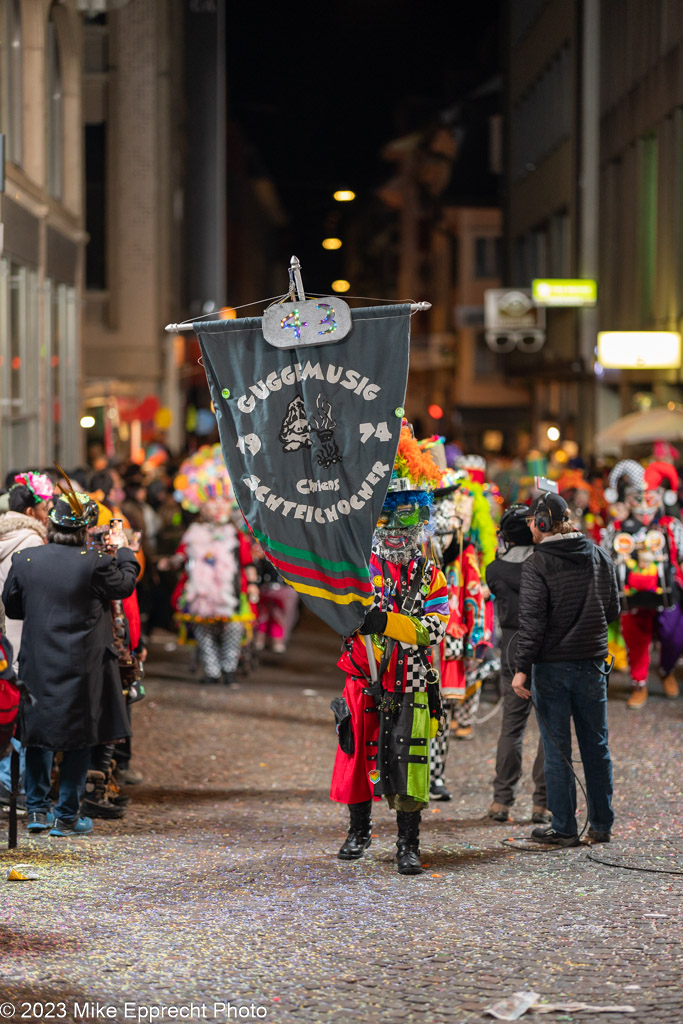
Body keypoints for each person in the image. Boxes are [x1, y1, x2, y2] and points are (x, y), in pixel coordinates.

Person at [331, 425, 448, 875]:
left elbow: (433, 628)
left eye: (409, 519)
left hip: (411, 679)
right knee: (356, 756)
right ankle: (358, 831)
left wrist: (387, 623)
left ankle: (408, 844)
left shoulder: (432, 576)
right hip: (363, 677)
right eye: (391, 518)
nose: (401, 531)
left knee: (409, 760)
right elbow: (338, 611)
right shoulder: (358, 570)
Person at [2, 484, 140, 838]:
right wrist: (124, 550)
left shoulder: (26, 560)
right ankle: (66, 816)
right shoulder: (95, 562)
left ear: (52, 525)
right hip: (84, 665)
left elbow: (13, 607)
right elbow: (125, 585)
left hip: (37, 660)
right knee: (80, 736)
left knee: (36, 734)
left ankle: (36, 810)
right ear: (83, 529)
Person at [511, 492, 620, 846]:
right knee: (596, 746)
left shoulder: (537, 563)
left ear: (543, 523)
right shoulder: (599, 555)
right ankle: (601, 826)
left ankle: (564, 828)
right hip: (592, 664)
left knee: (558, 750)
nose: (529, 525)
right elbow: (613, 608)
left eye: (532, 520)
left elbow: (532, 625)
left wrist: (520, 669)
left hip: (553, 670)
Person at [602, 460, 683, 709]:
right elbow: (604, 559)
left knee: (674, 636)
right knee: (635, 639)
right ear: (627, 498)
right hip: (631, 595)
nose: (644, 503)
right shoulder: (615, 528)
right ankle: (639, 684)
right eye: (638, 497)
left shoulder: (671, 526)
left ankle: (666, 670)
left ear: (661, 497)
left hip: (667, 593)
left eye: (650, 496)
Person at [486, 503, 548, 824]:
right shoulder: (546, 564)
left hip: (512, 646)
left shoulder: (494, 570)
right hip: (546, 649)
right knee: (550, 730)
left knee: (511, 727)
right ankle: (542, 804)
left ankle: (501, 801)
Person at [0, 472, 54, 808]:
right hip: (18, 634)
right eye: (46, 507)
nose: (49, 513)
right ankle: (10, 783)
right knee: (20, 711)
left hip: (3, 636)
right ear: (32, 511)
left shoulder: (5, 536)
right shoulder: (32, 544)